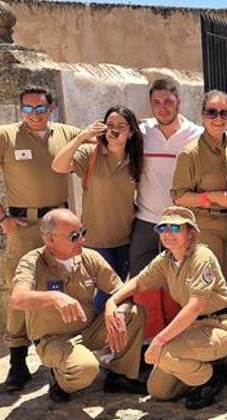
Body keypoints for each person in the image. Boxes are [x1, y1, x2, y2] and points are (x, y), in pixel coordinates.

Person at [0, 86, 82, 391]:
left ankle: (59, 359)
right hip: (23, 226)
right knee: (19, 291)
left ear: (52, 108)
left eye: (41, 109)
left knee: (62, 285)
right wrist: (2, 219)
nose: (35, 115)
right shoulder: (4, 137)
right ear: (21, 109)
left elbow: (97, 149)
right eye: (28, 109)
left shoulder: (67, 134)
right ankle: (17, 362)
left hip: (59, 225)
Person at [108, 206, 227, 409]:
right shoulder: (166, 260)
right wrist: (112, 301)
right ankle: (201, 370)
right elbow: (139, 282)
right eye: (163, 229)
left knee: (163, 353)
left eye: (175, 228)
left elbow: (195, 306)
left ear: (190, 233)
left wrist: (160, 340)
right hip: (192, 329)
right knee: (159, 391)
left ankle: (210, 378)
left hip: (220, 325)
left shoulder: (201, 256)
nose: (168, 234)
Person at [9, 209, 146, 402]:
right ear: (50, 239)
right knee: (86, 369)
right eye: (74, 236)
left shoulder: (89, 258)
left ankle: (119, 375)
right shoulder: (32, 262)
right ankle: (59, 377)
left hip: (88, 331)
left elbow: (121, 290)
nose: (81, 240)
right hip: (54, 340)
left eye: (83, 233)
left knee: (131, 312)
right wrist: (54, 297)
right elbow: (18, 299)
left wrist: (112, 305)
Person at [131, 77, 204, 339]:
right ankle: (150, 341)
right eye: (157, 102)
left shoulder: (195, 134)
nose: (162, 108)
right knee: (144, 283)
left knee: (180, 282)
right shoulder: (141, 132)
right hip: (147, 218)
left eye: (168, 102)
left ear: (179, 102)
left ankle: (179, 340)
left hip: (181, 223)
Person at [51, 105, 143, 311]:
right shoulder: (91, 154)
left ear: (131, 132)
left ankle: (107, 338)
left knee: (117, 295)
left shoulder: (136, 159)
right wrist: (81, 137)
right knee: (103, 296)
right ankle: (92, 337)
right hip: (96, 242)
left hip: (125, 240)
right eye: (110, 125)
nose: (114, 130)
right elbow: (58, 165)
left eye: (121, 125)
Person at [171, 90, 227, 284]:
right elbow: (178, 197)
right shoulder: (190, 153)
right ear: (202, 115)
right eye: (212, 112)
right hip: (206, 226)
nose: (218, 118)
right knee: (206, 287)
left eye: (224, 113)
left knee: (223, 286)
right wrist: (212, 197)